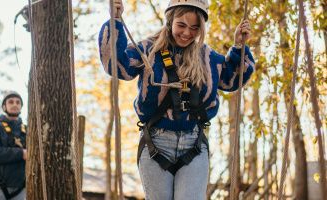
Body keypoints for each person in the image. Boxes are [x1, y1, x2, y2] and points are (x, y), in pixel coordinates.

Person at [99, 0, 255, 199]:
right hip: (156, 142)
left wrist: (239, 47)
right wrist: (115, 22)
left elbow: (232, 79)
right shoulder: (148, 50)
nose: (187, 33)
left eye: (195, 28)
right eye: (181, 25)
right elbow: (117, 64)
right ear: (170, 20)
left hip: (194, 144)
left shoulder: (207, 57)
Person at [0, 91, 27, 200]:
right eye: (10, 102)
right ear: (4, 106)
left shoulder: (28, 130)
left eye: (18, 102)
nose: (15, 104)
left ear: (21, 106)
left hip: (22, 187)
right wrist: (21, 153)